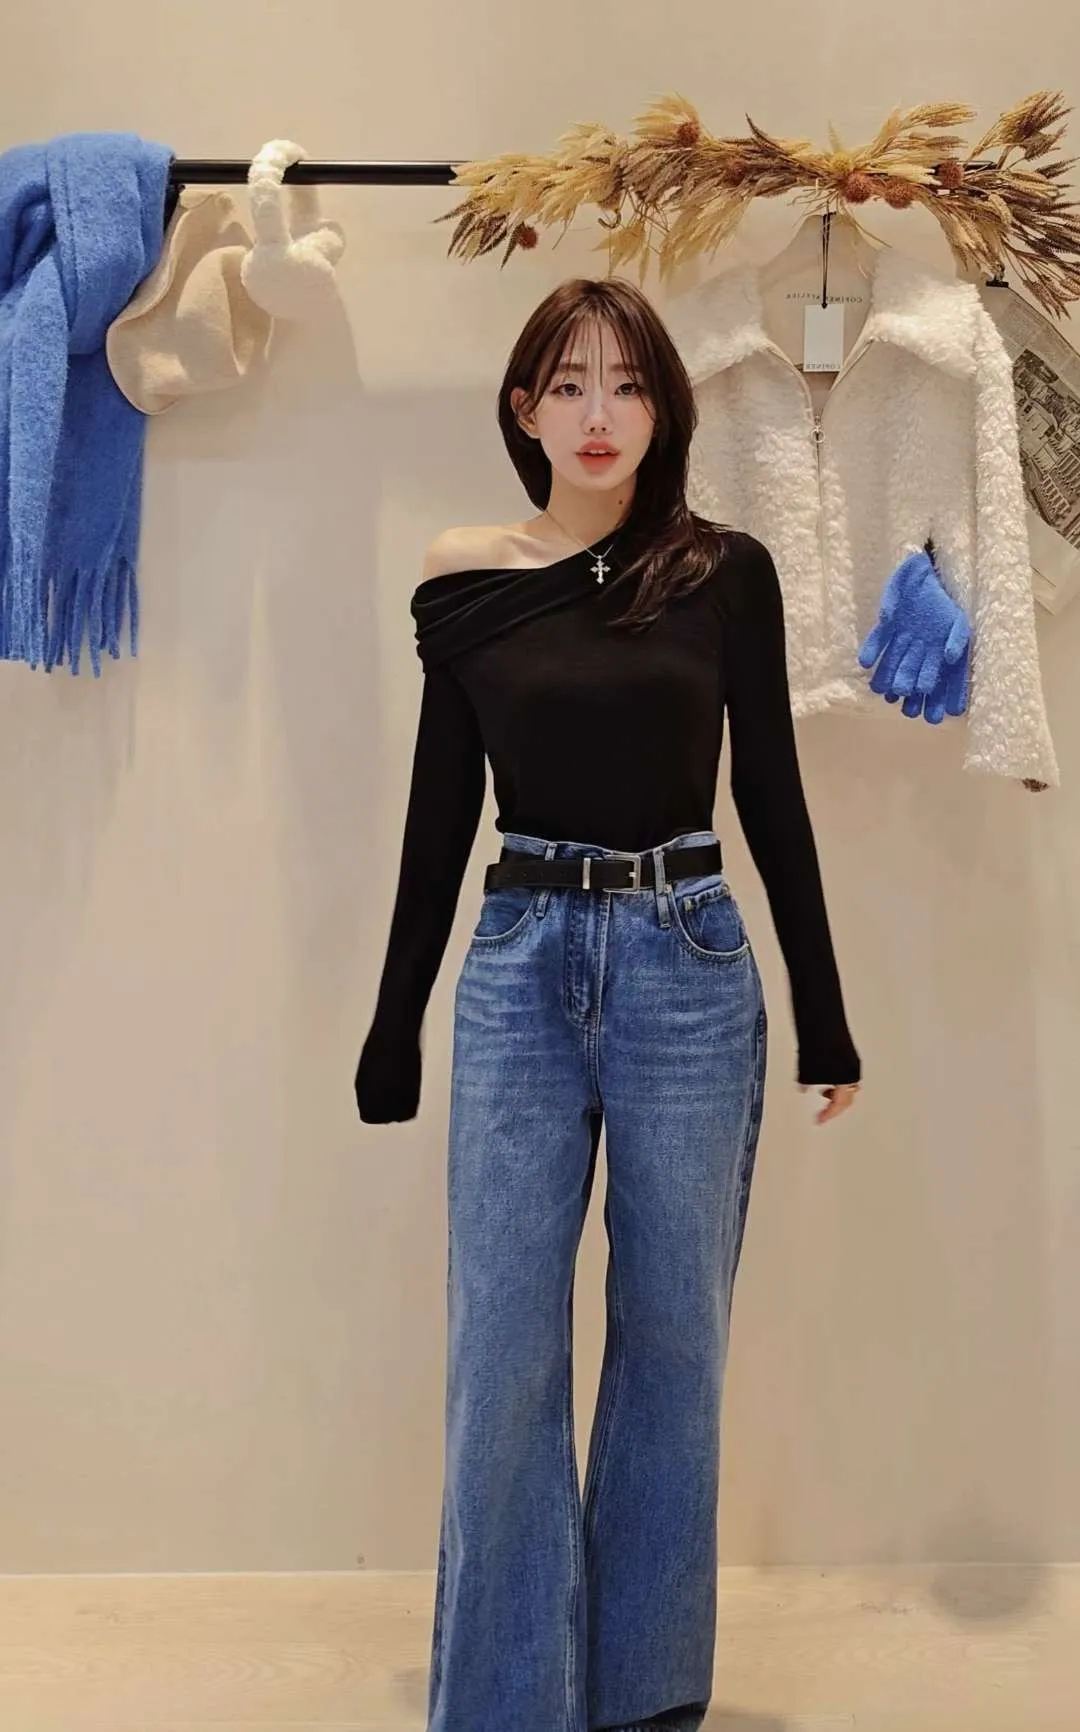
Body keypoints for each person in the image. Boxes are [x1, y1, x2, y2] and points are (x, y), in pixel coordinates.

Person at [354, 275, 861, 1732]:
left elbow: (771, 793)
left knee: (674, 1341)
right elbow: (439, 811)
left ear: (663, 409)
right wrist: (394, 1017)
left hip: (684, 962)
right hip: (519, 961)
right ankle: (508, 1700)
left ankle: (643, 1697)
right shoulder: (464, 577)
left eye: (628, 384)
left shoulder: (723, 573)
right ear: (522, 407)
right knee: (503, 1341)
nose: (598, 414)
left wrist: (825, 1012)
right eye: (568, 384)